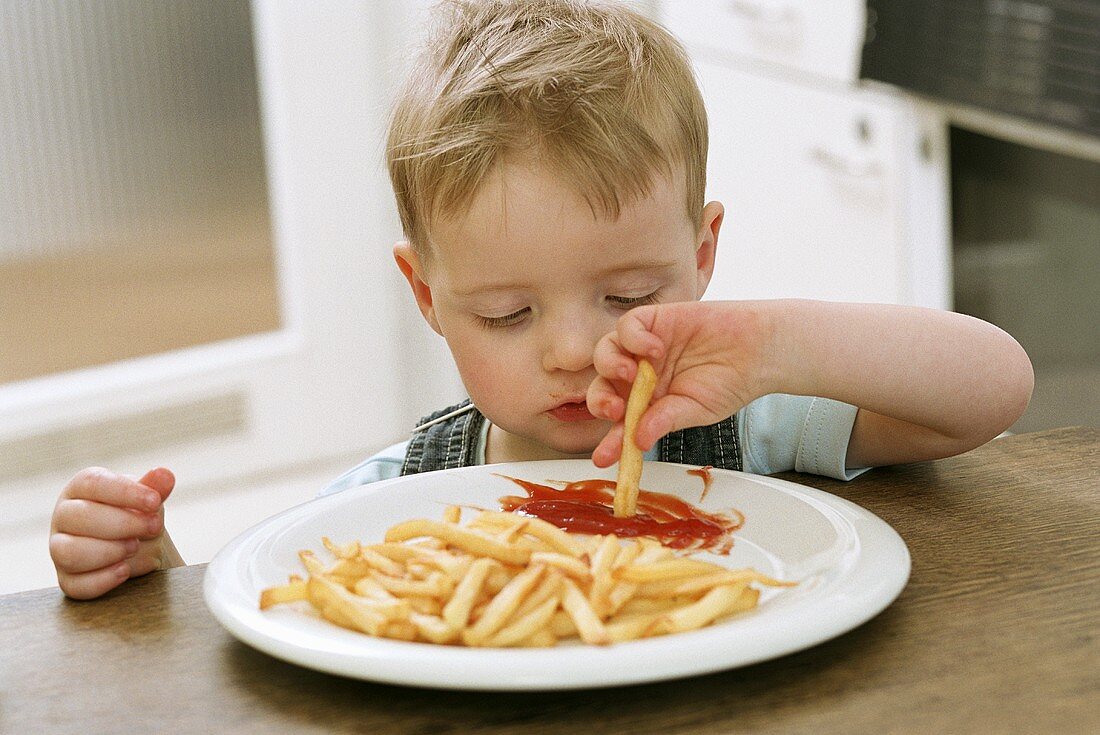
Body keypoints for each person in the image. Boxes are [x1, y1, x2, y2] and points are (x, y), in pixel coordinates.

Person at [49, 0, 1034, 600]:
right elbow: (272, 605)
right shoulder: (399, 506)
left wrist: (780, 342)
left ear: (699, 256)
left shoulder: (753, 422)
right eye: (506, 315)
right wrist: (150, 565)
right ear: (425, 297)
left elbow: (992, 390)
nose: (571, 350)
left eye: (628, 294)